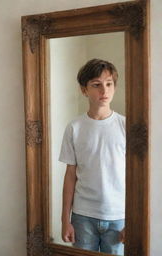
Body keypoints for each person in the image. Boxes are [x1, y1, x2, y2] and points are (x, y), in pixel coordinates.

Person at [59, 59, 125, 255]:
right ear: (84, 90)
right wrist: (65, 220)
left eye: (109, 84)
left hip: (119, 217)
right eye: (96, 85)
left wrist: (135, 220)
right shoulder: (74, 127)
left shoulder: (126, 126)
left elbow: (138, 177)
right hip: (83, 216)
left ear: (114, 87)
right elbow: (70, 176)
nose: (104, 90)